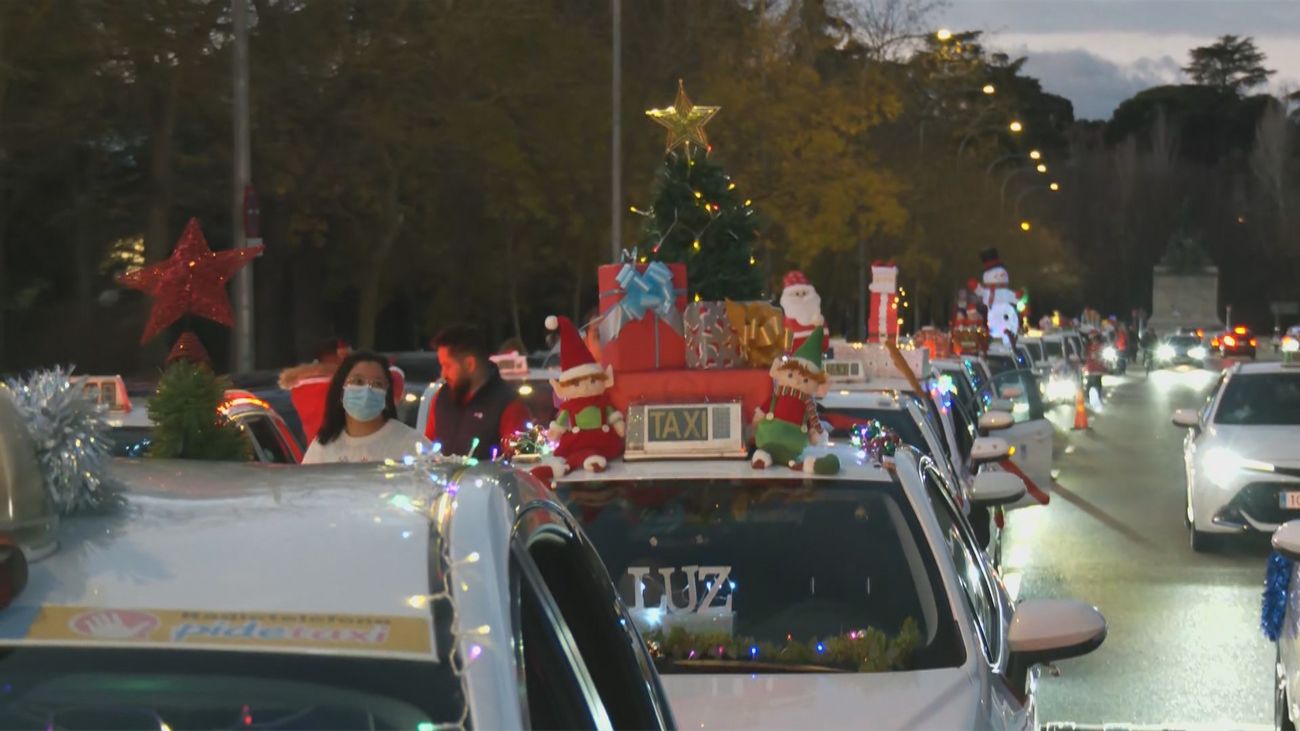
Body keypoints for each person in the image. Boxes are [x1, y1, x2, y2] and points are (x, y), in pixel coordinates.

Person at [301, 351, 429, 464]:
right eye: (358, 382)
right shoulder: (322, 447)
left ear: (387, 394)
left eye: (377, 384)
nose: (367, 390)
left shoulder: (412, 445)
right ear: (341, 389)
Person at [425, 324, 532, 459]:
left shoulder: (509, 406)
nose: (443, 374)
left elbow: (521, 465)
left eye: (447, 366)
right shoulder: (440, 399)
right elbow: (427, 452)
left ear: (470, 364)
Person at [1083, 331, 1106, 404]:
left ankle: (1096, 396)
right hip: (1091, 368)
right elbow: (1086, 355)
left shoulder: (1100, 346)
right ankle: (1089, 396)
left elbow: (1101, 357)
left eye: (1093, 338)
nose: (1093, 340)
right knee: (1091, 383)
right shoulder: (1089, 347)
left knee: (1096, 382)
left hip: (1097, 368)